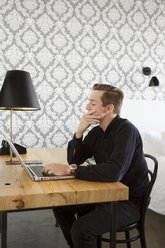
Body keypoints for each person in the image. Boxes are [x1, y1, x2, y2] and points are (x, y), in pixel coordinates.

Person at [42, 84, 149, 248]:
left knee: (81, 229)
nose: (87, 107)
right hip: (105, 193)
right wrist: (79, 132)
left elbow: (114, 172)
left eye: (93, 103)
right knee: (61, 206)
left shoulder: (126, 131)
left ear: (109, 108)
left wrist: (69, 170)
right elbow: (75, 160)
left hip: (128, 201)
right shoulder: (97, 131)